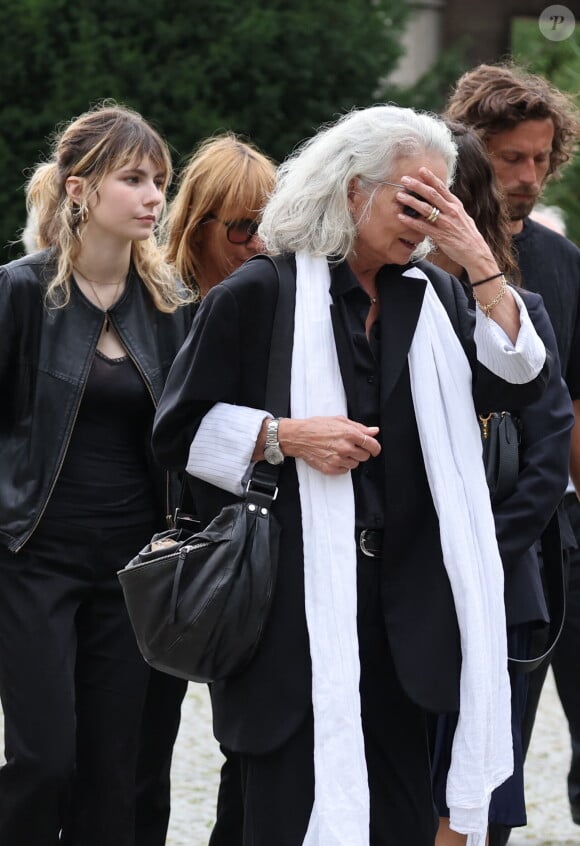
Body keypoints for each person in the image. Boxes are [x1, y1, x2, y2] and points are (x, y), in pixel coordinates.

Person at [151, 104, 551, 846]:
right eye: (413, 199)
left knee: (398, 821)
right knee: (283, 815)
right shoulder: (260, 294)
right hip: (291, 612)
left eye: (440, 201)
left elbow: (521, 378)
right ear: (350, 192)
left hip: (405, 619)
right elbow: (178, 433)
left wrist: (477, 257)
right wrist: (281, 436)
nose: (427, 219)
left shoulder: (433, 296)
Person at [0, 101, 193, 845]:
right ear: (79, 191)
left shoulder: (169, 306)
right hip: (34, 558)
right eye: (134, 179)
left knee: (113, 777)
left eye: (160, 181)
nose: (153, 197)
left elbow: (190, 430)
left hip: (133, 569)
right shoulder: (22, 292)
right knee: (45, 760)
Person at [427, 121, 574, 845]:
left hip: (497, 578)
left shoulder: (525, 313)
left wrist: (477, 553)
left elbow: (548, 460)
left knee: (478, 785)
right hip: (398, 583)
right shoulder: (367, 306)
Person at [135, 132, 276, 846]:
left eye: (269, 227)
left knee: (250, 744)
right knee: (137, 753)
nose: (256, 244)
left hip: (239, 549)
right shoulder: (155, 310)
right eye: (242, 228)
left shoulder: (278, 312)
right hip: (153, 547)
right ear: (199, 227)